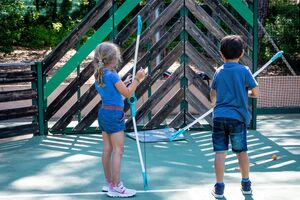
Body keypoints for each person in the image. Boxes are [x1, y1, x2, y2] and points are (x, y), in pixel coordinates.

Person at [93, 42, 145, 198]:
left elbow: (115, 93)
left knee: (108, 149)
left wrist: (125, 82)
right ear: (114, 59)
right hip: (114, 115)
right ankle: (117, 186)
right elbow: (128, 93)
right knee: (118, 150)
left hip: (104, 113)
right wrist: (137, 79)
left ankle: (109, 183)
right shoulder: (112, 75)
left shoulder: (100, 74)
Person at [210, 35, 259, 198]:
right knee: (241, 152)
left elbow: (213, 94)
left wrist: (216, 101)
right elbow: (256, 92)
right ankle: (246, 184)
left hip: (219, 117)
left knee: (220, 153)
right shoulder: (244, 70)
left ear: (221, 54)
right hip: (237, 118)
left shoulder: (219, 71)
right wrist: (247, 93)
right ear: (242, 53)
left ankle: (219, 187)